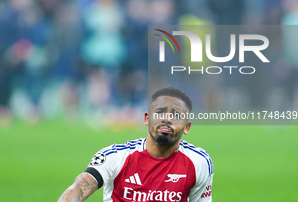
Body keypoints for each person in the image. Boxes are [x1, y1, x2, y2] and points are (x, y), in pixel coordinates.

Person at [57, 87, 213, 202]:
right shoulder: (114, 157)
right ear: (146, 119)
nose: (166, 119)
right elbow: (80, 187)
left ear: (187, 127)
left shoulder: (199, 162)